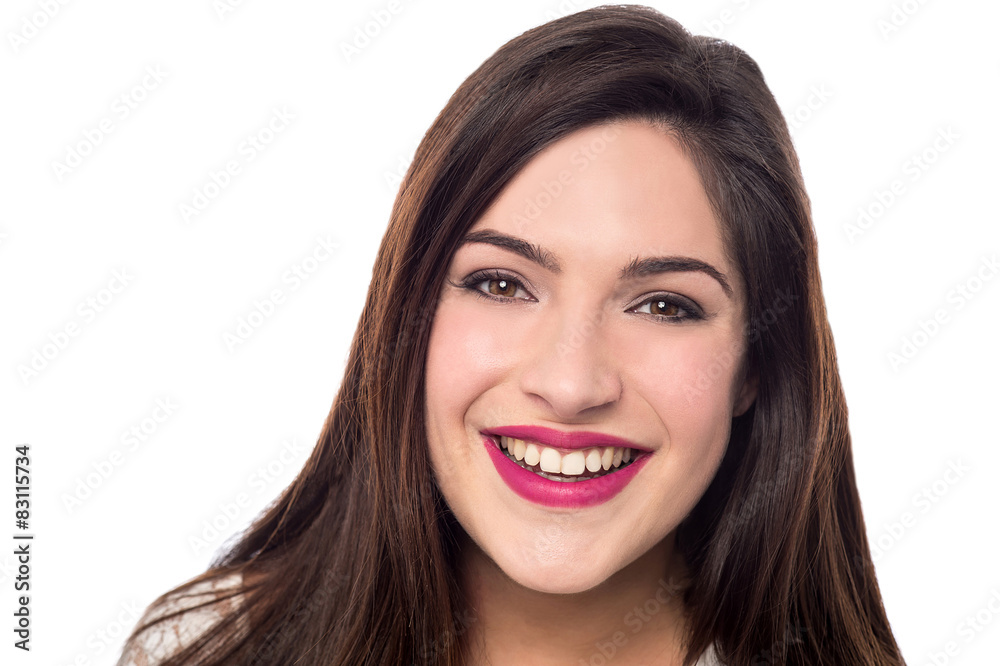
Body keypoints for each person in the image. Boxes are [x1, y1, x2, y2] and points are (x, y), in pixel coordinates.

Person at [118, 5, 906, 665]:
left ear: (756, 366)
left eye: (664, 305)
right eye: (501, 284)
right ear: (409, 316)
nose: (570, 384)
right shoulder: (208, 648)